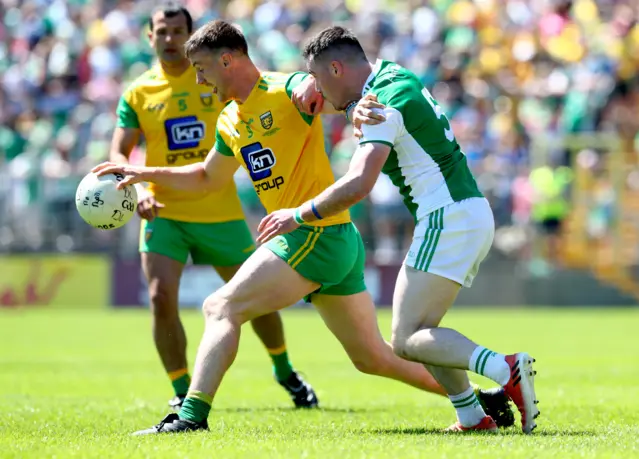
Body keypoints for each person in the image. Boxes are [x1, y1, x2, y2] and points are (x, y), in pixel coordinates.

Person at [94, 19, 514, 435]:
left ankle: (189, 417)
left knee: (221, 307)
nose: (200, 80)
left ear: (228, 60)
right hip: (334, 240)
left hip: (311, 234)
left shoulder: (289, 88)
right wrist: (140, 172)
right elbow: (207, 178)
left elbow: (329, 86)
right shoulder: (228, 120)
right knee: (373, 358)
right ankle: (480, 403)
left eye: (203, 68)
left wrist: (356, 106)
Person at [257, 26, 540, 433]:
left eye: (318, 78)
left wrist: (299, 214)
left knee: (407, 340)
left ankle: (504, 367)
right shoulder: (393, 76)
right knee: (422, 331)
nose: (318, 90)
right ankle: (472, 417)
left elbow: (359, 183)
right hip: (462, 211)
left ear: (336, 68)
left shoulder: (378, 102)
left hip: (448, 215)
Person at [109, 3, 317, 410]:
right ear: (149, 37)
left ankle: (285, 371)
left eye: (176, 31)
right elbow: (121, 149)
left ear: (189, 36)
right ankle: (182, 388)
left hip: (220, 212)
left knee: (255, 299)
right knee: (159, 296)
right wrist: (139, 188)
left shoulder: (214, 78)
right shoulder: (138, 93)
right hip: (163, 212)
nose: (169, 39)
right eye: (161, 31)